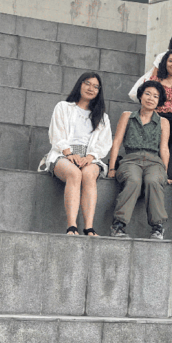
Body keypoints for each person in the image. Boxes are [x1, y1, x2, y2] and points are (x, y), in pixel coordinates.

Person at [39, 72, 112, 236]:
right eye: (87, 83)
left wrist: (90, 157)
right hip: (63, 154)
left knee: (88, 174)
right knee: (74, 173)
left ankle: (89, 227)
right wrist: (68, 153)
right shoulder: (63, 107)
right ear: (80, 84)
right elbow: (56, 132)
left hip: (90, 157)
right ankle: (72, 226)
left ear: (99, 91)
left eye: (96, 86)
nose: (91, 88)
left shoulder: (103, 117)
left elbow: (104, 143)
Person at [108, 80, 170, 240]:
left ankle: (157, 227)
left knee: (153, 180)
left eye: (155, 96)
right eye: (147, 94)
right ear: (141, 96)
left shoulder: (163, 122)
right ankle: (118, 225)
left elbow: (164, 148)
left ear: (159, 101)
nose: (151, 98)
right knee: (134, 180)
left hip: (154, 161)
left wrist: (165, 172)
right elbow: (116, 142)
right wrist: (111, 167)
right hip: (130, 160)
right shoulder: (127, 116)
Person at [133, 49, 172, 182]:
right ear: (165, 63)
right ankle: (152, 173)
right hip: (159, 117)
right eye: (171, 61)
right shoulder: (156, 81)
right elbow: (149, 102)